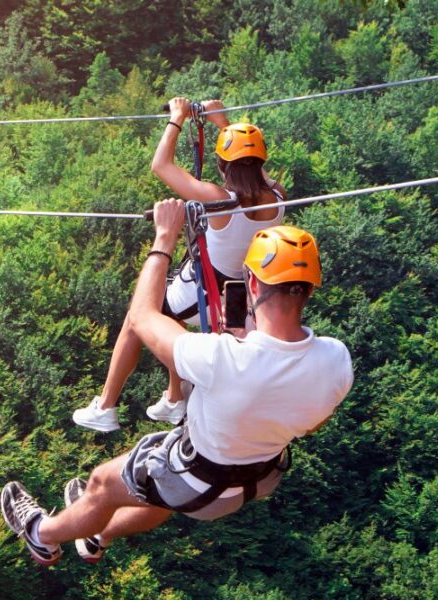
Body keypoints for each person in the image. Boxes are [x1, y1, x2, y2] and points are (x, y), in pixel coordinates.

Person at [1, 199, 353, 565]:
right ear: (310, 289)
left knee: (102, 484)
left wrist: (164, 238)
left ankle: (41, 535)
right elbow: (313, 422)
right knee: (159, 492)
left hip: (197, 480)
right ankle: (98, 535)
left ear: (250, 281)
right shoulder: (336, 361)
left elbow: (141, 317)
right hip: (255, 481)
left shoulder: (222, 357)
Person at [73, 97, 287, 432]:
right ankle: (175, 398)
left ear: (222, 165)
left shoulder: (218, 200)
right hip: (240, 294)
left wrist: (176, 118)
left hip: (206, 289)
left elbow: (161, 165)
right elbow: (252, 166)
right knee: (173, 318)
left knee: (137, 316)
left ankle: (106, 405)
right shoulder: (278, 196)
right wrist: (222, 123)